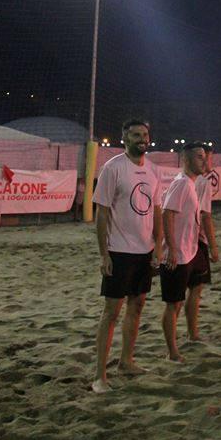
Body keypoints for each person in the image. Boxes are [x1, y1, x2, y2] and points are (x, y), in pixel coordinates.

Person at [92, 119, 163, 394]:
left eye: (145, 134)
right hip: (119, 251)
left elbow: (156, 210)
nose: (142, 139)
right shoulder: (113, 168)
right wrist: (104, 254)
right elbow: (102, 213)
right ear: (125, 138)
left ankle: (126, 361)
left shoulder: (154, 171)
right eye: (136, 135)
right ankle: (99, 376)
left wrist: (158, 245)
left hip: (144, 251)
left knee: (138, 305)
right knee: (111, 312)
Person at [159, 143, 207, 363]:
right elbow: (167, 214)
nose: (204, 161)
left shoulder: (190, 184)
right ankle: (172, 352)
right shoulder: (181, 184)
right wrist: (172, 249)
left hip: (190, 251)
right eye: (199, 157)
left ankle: (191, 334)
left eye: (204, 157)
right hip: (177, 254)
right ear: (186, 160)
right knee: (173, 303)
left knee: (193, 291)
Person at [187, 144, 220, 342]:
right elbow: (205, 216)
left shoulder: (187, 179)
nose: (209, 162)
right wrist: (213, 246)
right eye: (208, 158)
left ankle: (189, 332)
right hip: (196, 241)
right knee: (195, 288)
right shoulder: (203, 182)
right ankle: (193, 333)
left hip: (185, 239)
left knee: (185, 292)